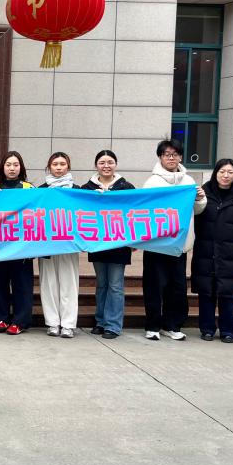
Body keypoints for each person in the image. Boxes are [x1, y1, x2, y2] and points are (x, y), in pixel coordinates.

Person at [141, 139, 207, 342]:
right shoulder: (152, 182)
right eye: (167, 154)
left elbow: (197, 211)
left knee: (177, 287)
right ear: (160, 157)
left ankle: (172, 325)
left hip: (180, 244)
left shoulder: (188, 181)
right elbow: (143, 210)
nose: (171, 158)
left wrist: (200, 199)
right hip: (156, 244)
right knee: (154, 286)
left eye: (175, 154)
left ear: (180, 157)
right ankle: (153, 326)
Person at [192, 158, 233, 344]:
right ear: (215, 173)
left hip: (230, 251)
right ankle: (207, 329)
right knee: (206, 292)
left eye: (230, 172)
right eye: (222, 171)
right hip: (205, 249)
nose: (226, 175)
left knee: (228, 292)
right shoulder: (203, 193)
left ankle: (228, 331)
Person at [81, 150, 135, 339]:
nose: (106, 166)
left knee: (115, 285)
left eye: (110, 162)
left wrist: (134, 239)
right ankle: (100, 321)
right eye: (102, 162)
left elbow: (135, 213)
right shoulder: (87, 188)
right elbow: (80, 213)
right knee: (102, 284)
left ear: (116, 165)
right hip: (97, 244)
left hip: (120, 244)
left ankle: (113, 325)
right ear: (96, 165)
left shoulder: (126, 187)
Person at [0, 151, 35, 334]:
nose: (12, 168)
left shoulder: (30, 188)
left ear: (21, 167)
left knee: (22, 284)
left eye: (15, 165)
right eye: (8, 165)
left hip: (21, 246)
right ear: (2, 167)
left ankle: (20, 321)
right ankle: (0, 318)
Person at [38, 152, 81, 338]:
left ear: (68, 167)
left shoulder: (78, 190)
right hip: (46, 244)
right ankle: (53, 323)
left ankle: (68, 324)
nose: (58, 167)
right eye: (55, 164)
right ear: (49, 167)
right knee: (48, 284)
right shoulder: (40, 191)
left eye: (62, 164)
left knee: (69, 284)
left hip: (69, 243)